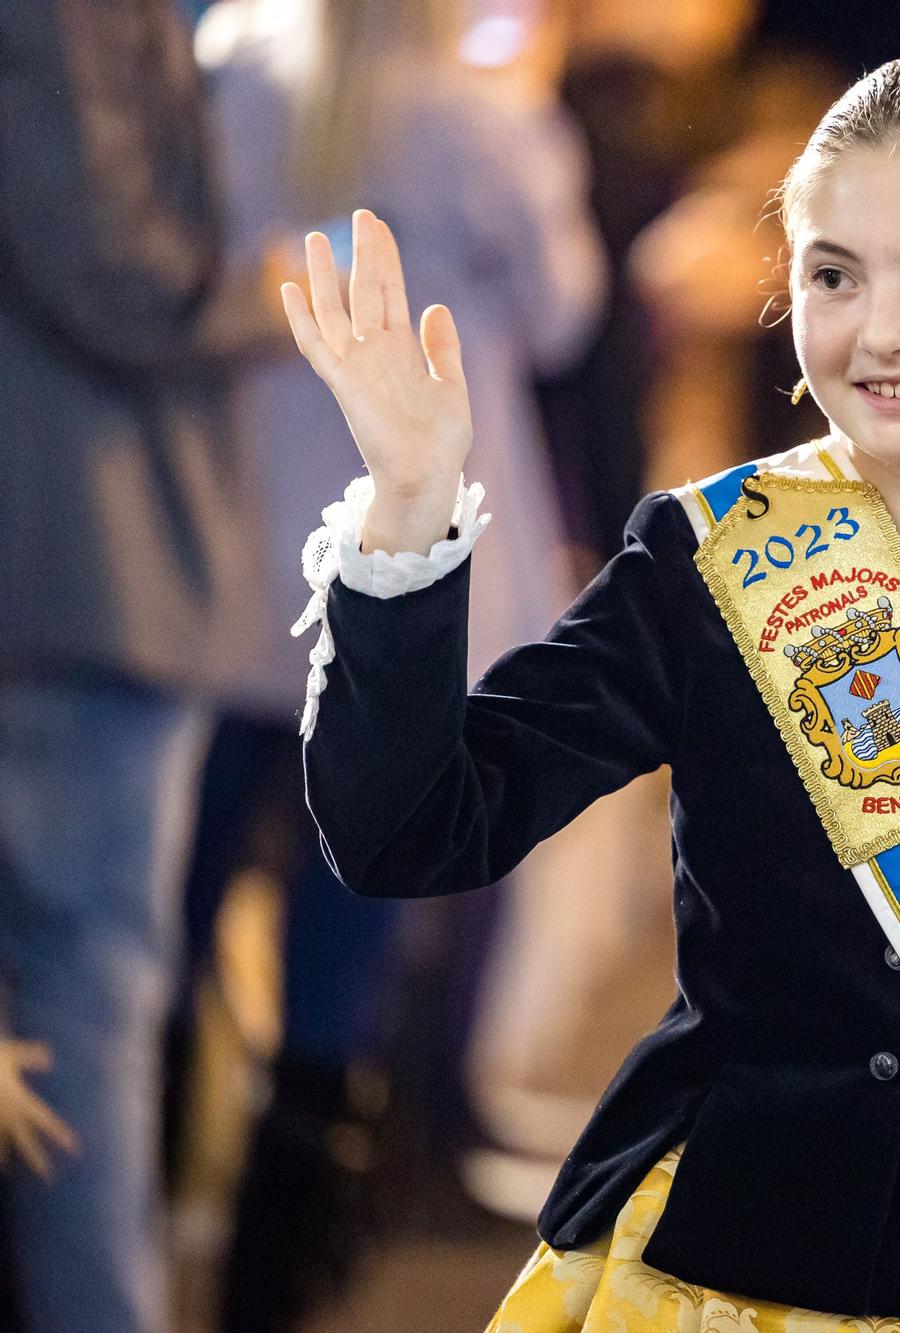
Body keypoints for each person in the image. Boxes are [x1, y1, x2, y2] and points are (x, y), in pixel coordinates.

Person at [281, 45, 900, 1327]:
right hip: (716, 1256)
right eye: (832, 274)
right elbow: (409, 830)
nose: (881, 330)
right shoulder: (708, 557)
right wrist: (409, 506)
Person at [180, 2, 605, 1323]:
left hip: (236, 543)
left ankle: (123, 1227)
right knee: (350, 911)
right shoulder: (482, 114)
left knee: (177, 906)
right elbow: (562, 315)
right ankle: (273, 1273)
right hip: (398, 553)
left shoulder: (229, 70)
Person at [0, 2, 286, 1328]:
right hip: (84, 557)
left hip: (77, 560)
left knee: (77, 980)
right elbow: (116, 267)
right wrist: (273, 291)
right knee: (89, 986)